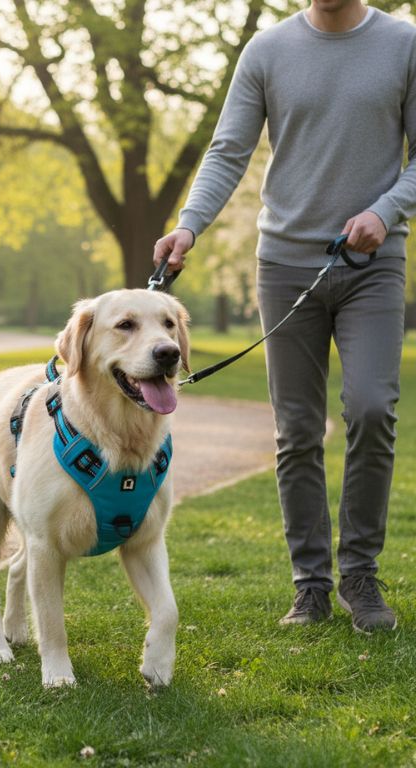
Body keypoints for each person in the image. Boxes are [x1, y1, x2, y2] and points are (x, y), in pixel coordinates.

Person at [153, 0, 416, 632]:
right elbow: (227, 151)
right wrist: (189, 228)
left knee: (373, 407)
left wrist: (385, 210)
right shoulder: (267, 51)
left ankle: (360, 575)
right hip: (285, 266)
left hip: (372, 266)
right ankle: (312, 586)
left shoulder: (403, 44)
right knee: (297, 430)